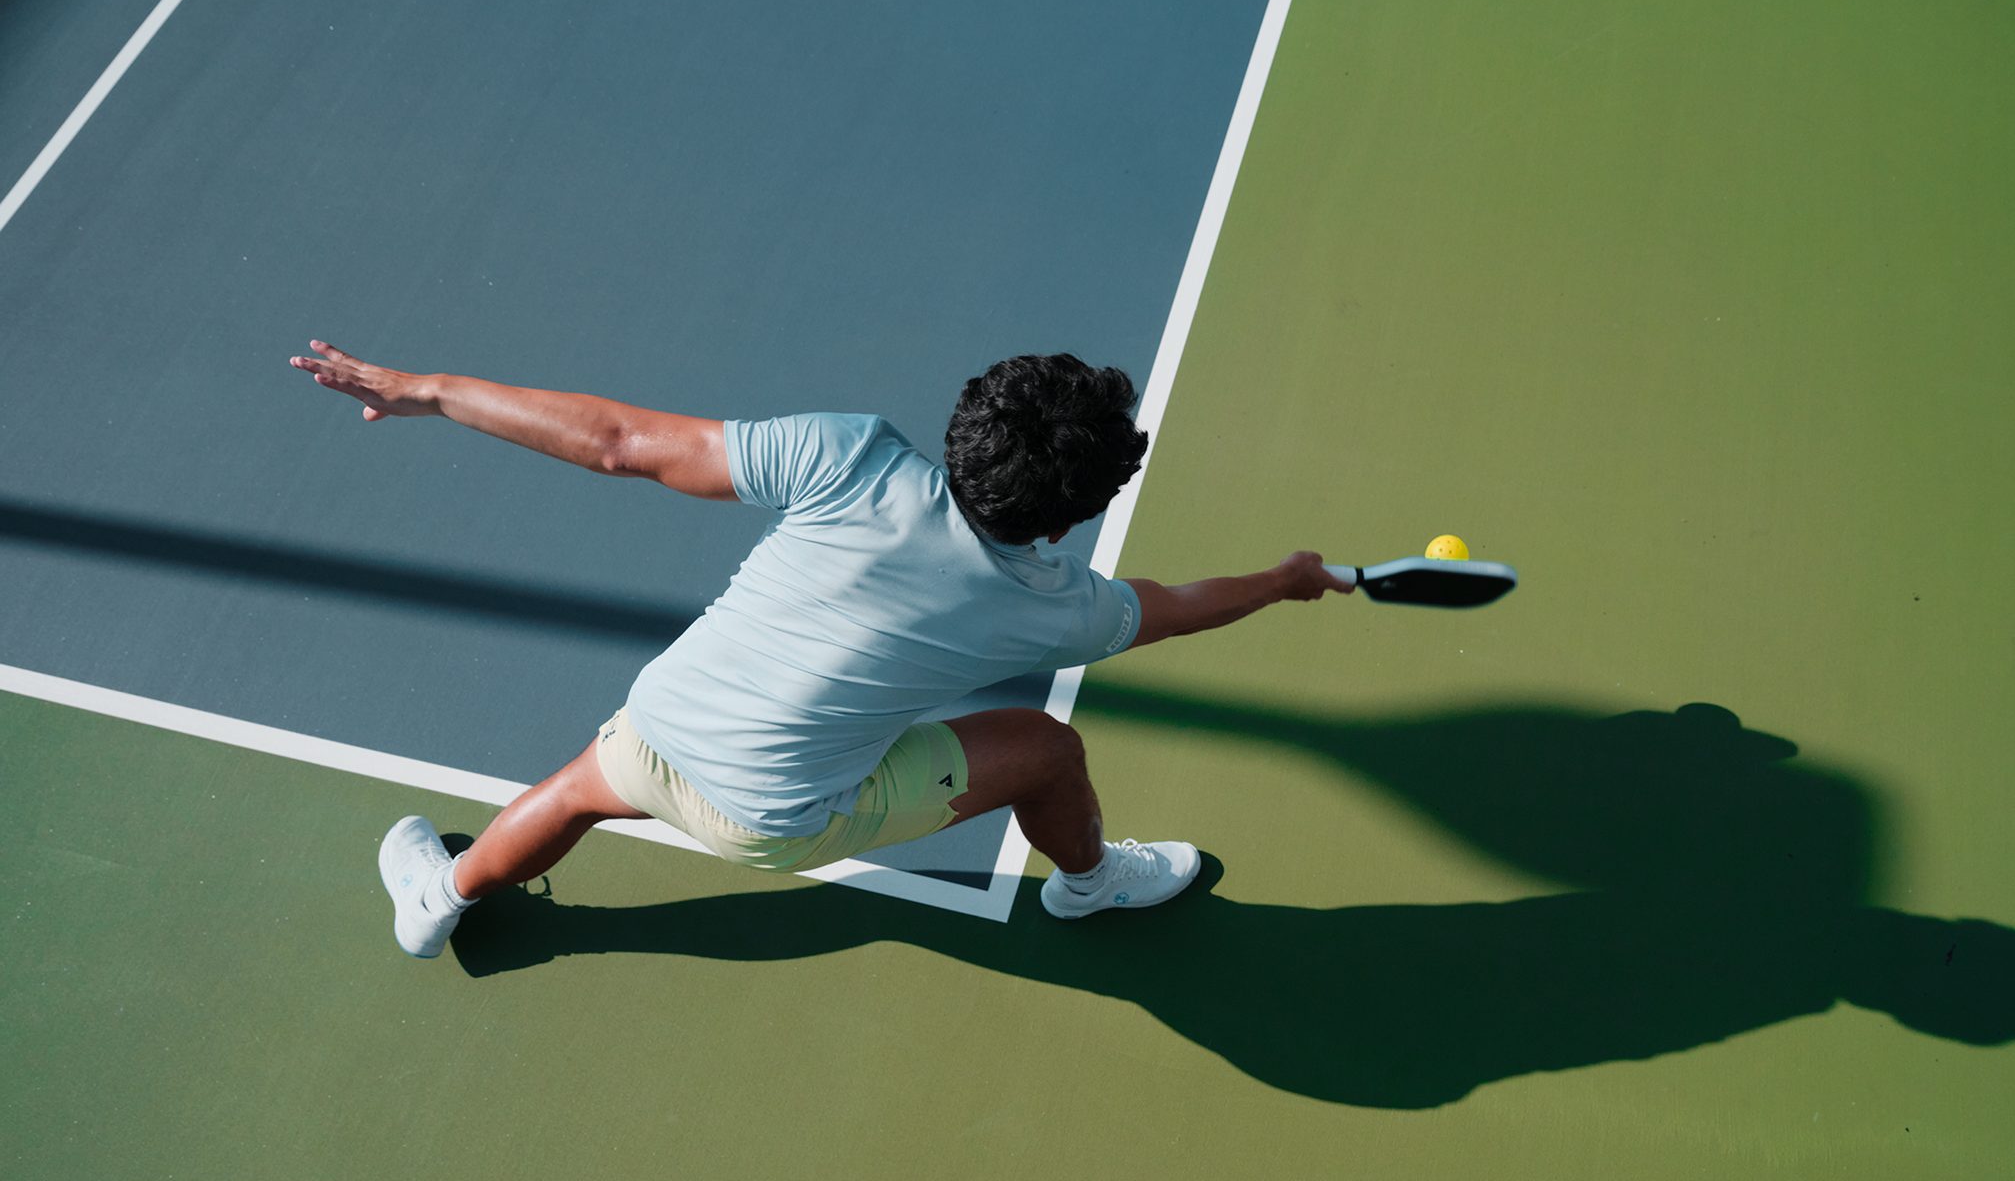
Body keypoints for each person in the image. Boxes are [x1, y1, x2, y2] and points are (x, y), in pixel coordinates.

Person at [289, 341, 1351, 956]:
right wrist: (1281, 581)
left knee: (572, 792)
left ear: (965, 422)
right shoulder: (1057, 607)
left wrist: (428, 391)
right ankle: (1088, 885)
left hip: (657, 725)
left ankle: (443, 899)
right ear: (1068, 518)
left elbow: (614, 444)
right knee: (1046, 749)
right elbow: (1169, 605)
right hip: (778, 818)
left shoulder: (846, 455)